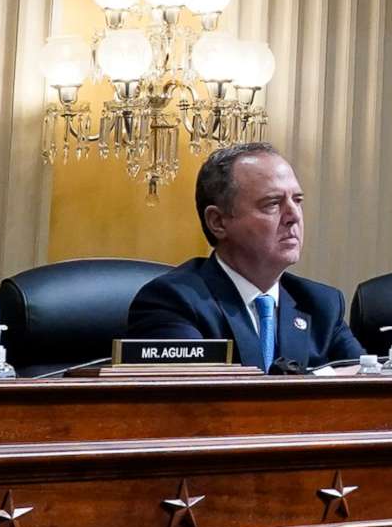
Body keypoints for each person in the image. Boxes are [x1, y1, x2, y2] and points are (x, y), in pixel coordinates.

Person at [123, 143, 366, 370]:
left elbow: (366, 390)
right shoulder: (173, 301)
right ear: (218, 222)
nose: (294, 216)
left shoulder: (320, 304)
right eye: (272, 204)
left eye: (297, 200)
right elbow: (200, 401)